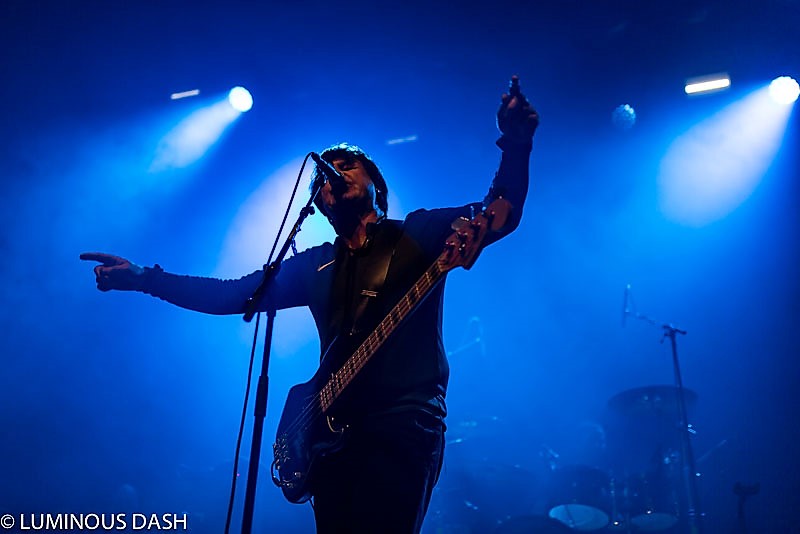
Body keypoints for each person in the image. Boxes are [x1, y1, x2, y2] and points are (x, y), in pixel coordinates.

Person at [81, 75, 538, 533]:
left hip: (402, 422)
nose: (334, 173)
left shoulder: (417, 233)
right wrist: (145, 279)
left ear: (376, 187)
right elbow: (232, 294)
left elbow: (497, 213)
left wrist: (516, 145)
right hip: (331, 434)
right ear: (318, 203)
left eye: (348, 165)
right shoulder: (315, 265)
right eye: (325, 174)